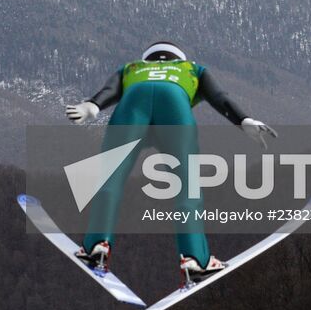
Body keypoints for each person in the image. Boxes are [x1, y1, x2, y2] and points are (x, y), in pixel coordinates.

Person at [64, 41, 277, 287]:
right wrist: (243, 120)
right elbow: (220, 97)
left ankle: (96, 247)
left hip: (133, 104)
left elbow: (109, 90)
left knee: (109, 179)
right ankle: (195, 260)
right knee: (186, 189)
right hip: (173, 106)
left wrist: (92, 106)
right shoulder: (192, 68)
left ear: (148, 58)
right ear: (178, 57)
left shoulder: (131, 68)